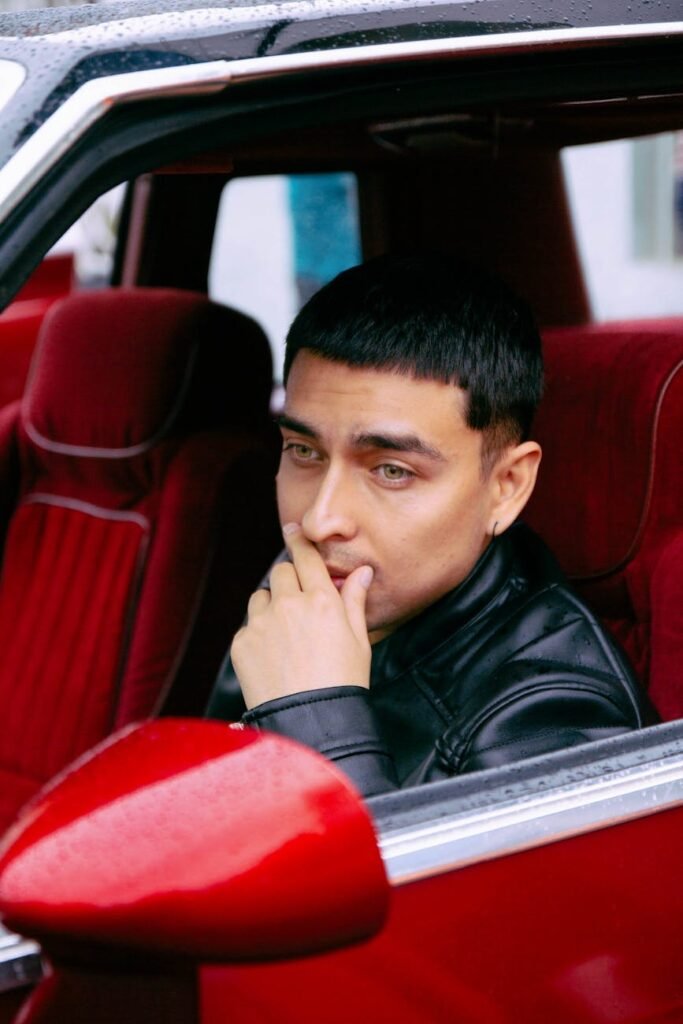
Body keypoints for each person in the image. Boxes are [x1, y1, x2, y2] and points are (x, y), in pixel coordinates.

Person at [207, 253, 653, 796]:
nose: (321, 519)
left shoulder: (549, 716)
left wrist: (317, 714)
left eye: (392, 470)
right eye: (304, 451)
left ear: (506, 486)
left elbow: (384, 858)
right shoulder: (312, 583)